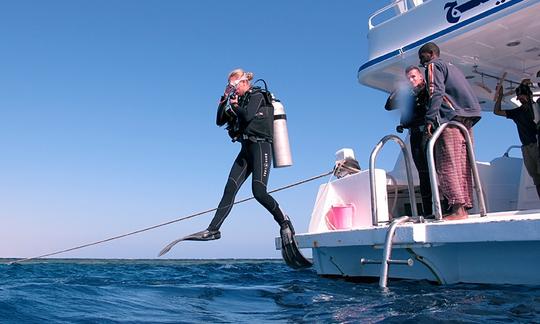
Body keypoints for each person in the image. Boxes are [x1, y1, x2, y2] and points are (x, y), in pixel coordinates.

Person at [160, 69, 310, 268]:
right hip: (246, 149)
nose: (233, 90)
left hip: (261, 147)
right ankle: (213, 230)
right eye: (230, 87)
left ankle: (284, 222)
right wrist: (224, 99)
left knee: (259, 191)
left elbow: (247, 116)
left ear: (244, 82)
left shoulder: (257, 96)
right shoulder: (238, 99)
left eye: (234, 86)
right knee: (229, 188)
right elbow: (219, 121)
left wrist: (236, 106)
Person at [419, 42, 482, 220]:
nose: (421, 61)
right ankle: (464, 207)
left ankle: (457, 209)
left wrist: (430, 119)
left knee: (447, 163)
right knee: (463, 164)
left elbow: (435, 91)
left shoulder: (434, 65)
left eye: (422, 56)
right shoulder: (453, 67)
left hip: (451, 118)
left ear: (431, 53)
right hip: (467, 118)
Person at [385, 65, 433, 216]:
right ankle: (427, 211)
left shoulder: (427, 91)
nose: (411, 80)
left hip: (428, 133)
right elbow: (389, 106)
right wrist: (398, 90)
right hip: (414, 136)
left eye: (413, 76)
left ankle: (442, 206)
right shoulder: (409, 96)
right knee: (423, 173)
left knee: (434, 170)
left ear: (420, 77)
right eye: (408, 78)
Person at [493, 81, 540, 198]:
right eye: (518, 97)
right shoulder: (517, 112)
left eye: (521, 96)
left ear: (528, 95)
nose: (519, 99)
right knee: (536, 178)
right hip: (526, 148)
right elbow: (496, 111)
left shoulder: (538, 106)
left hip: (537, 145)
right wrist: (500, 96)